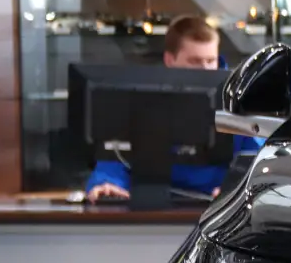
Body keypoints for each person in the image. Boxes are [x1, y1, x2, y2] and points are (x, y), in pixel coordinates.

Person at [85, 16, 262, 202]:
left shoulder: (239, 104)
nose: (206, 70)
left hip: (219, 207)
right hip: (155, 207)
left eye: (211, 61)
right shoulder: (143, 100)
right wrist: (106, 184)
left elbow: (257, 161)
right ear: (170, 60)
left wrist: (239, 188)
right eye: (195, 61)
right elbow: (115, 158)